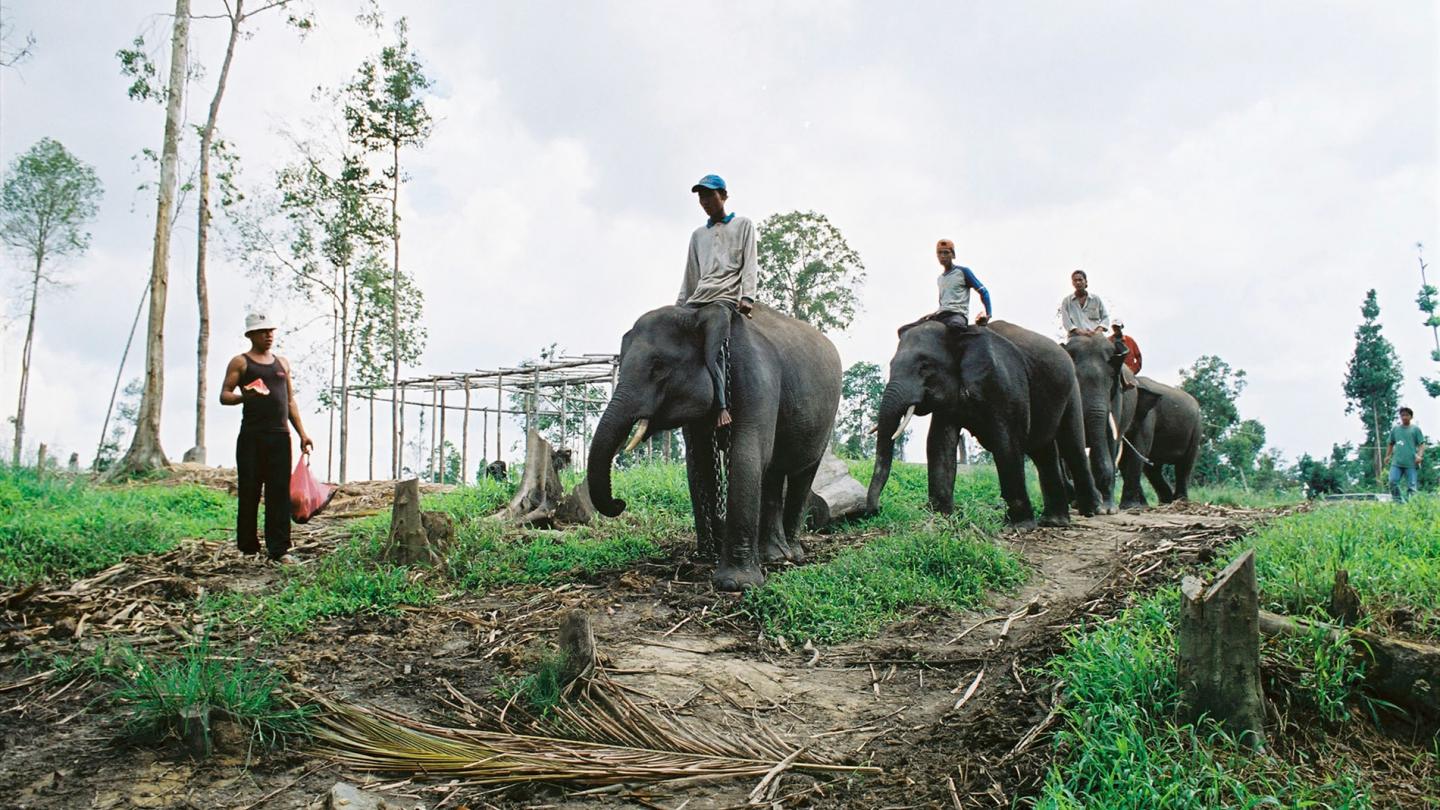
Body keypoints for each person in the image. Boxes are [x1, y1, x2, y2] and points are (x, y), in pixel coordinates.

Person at [219, 313, 314, 562]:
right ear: (251, 335)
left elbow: (289, 401)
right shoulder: (240, 363)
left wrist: (302, 433)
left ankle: (279, 549)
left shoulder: (282, 364)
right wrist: (245, 397)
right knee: (250, 491)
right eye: (263, 332)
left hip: (280, 437)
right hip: (252, 437)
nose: (268, 335)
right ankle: (248, 547)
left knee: (279, 494)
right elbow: (224, 395)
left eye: (271, 330)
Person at [676, 174, 757, 428]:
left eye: (709, 195)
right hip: (699, 298)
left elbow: (750, 262)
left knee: (715, 346)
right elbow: (691, 275)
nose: (705, 201)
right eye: (701, 197)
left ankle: (721, 405)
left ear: (723, 195)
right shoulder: (698, 235)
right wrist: (679, 306)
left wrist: (747, 296)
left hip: (724, 298)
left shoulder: (743, 225)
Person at [899, 239, 992, 335]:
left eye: (946, 252)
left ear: (953, 255)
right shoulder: (940, 279)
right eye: (939, 253)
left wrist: (988, 314)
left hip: (957, 315)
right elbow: (944, 302)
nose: (943, 256)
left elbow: (983, 292)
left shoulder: (963, 272)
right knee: (904, 330)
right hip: (940, 315)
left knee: (955, 326)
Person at [1384, 406, 1426, 503]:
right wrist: (1387, 456)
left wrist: (1419, 456)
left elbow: (1422, 444)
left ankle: (1410, 505)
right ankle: (1399, 502)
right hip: (1397, 462)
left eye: (1406, 415)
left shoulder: (1415, 429)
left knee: (1412, 486)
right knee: (1392, 481)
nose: (1404, 417)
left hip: (1411, 463)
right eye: (1402, 415)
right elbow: (1390, 443)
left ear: (1411, 417)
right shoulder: (1395, 429)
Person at [1058, 269, 1110, 337]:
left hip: (1096, 337)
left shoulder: (1096, 299)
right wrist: (1080, 332)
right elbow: (1066, 322)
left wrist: (1099, 330)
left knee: (1112, 347)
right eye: (1075, 280)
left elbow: (1105, 317)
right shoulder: (1067, 301)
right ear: (1072, 283)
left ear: (1086, 281)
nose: (1078, 282)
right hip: (1076, 338)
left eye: (1080, 280)